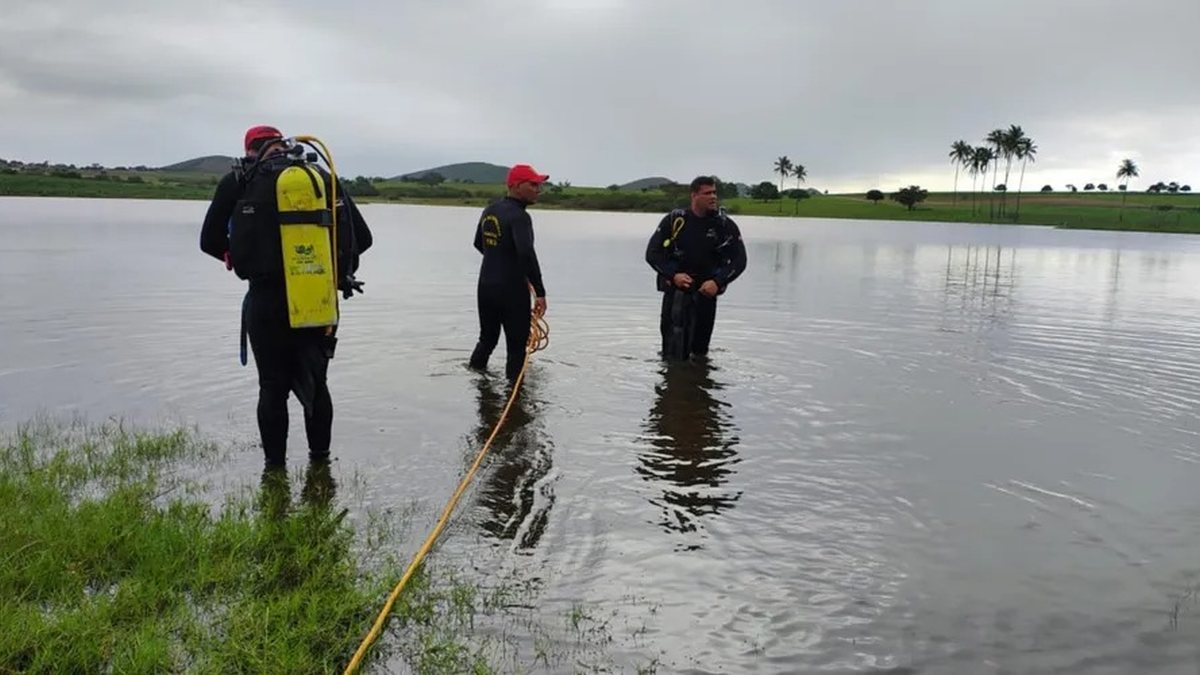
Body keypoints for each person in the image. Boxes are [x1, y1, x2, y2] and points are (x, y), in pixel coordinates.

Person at [199, 125, 373, 468]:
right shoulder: (319, 177)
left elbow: (209, 241)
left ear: (250, 150)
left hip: (266, 300)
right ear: (282, 145)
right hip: (316, 298)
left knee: (272, 387)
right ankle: (320, 466)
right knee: (317, 385)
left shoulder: (239, 179)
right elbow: (363, 238)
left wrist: (233, 255)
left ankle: (274, 471)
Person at [645, 176, 747, 361]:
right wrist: (673, 275)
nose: (713, 197)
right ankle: (677, 376)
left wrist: (718, 282)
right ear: (694, 196)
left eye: (714, 192)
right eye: (707, 193)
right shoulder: (675, 220)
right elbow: (652, 254)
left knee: (700, 352)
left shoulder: (724, 225)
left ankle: (698, 371)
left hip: (706, 293)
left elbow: (740, 261)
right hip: (677, 292)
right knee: (672, 353)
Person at [468, 163, 548, 382]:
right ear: (517, 185)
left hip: (486, 286)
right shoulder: (520, 216)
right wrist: (540, 292)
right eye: (533, 185)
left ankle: (478, 386)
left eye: (539, 185)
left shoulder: (490, 210)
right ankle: (516, 397)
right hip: (511, 289)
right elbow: (526, 253)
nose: (538, 190)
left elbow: (479, 243)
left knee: (487, 340)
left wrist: (498, 259)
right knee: (516, 348)